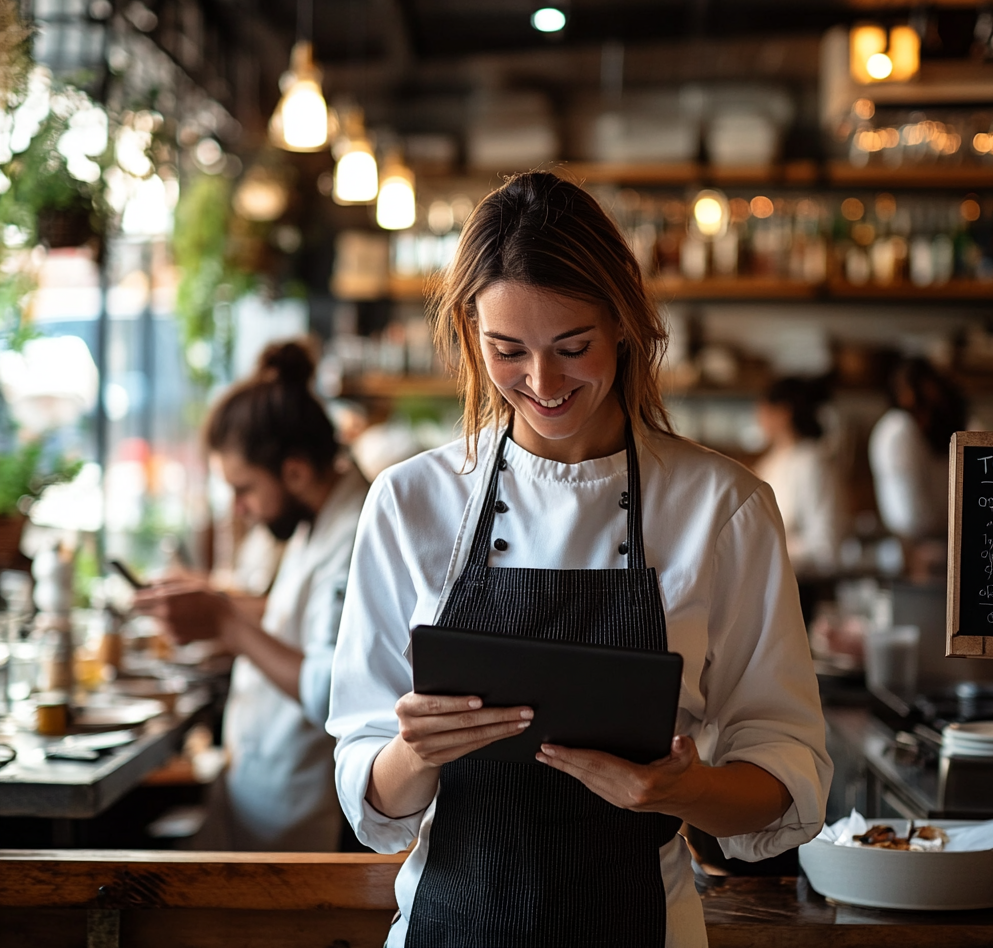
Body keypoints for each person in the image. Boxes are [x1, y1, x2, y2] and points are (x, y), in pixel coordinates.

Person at [327, 172, 831, 947]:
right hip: (450, 927)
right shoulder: (408, 503)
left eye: (573, 348)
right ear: (470, 333)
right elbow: (373, 798)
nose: (543, 383)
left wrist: (688, 789)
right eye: (508, 351)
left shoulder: (723, 508)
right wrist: (410, 752)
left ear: (624, 323)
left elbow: (787, 768)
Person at [137, 341, 368, 851]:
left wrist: (227, 623)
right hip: (264, 790)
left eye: (244, 489)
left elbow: (331, 687)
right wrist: (209, 601)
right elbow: (303, 619)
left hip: (302, 816)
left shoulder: (355, 532)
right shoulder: (316, 520)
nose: (240, 509)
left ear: (295, 471)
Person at [754, 376, 844, 575]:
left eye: (764, 410)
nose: (758, 418)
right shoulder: (770, 463)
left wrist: (763, 552)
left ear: (784, 413)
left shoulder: (812, 463)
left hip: (803, 587)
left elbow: (825, 547)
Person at [868, 357, 965, 542]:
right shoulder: (899, 430)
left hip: (936, 537)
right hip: (919, 541)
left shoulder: (934, 431)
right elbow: (912, 514)